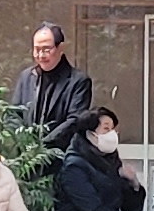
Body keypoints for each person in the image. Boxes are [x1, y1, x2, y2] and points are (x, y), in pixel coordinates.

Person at [10, 25, 97, 160]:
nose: (41, 55)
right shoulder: (26, 77)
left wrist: (42, 147)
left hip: (61, 159)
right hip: (26, 159)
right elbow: (14, 114)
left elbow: (74, 121)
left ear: (60, 48)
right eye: (37, 49)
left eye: (46, 49)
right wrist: (24, 141)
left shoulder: (78, 81)